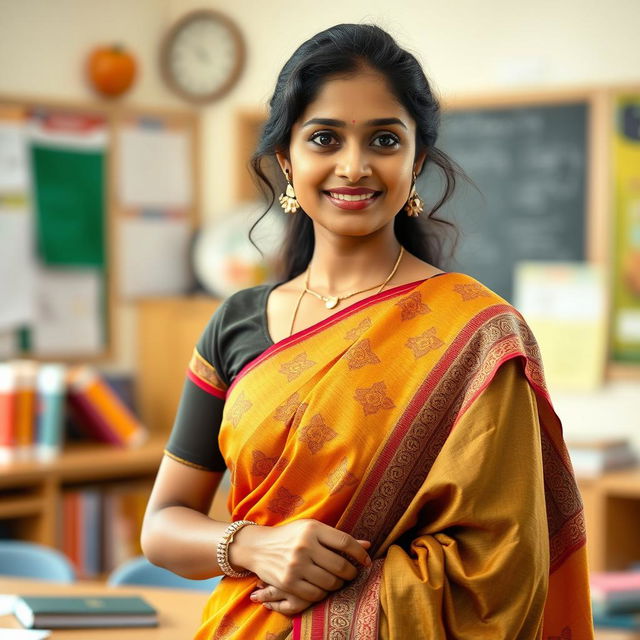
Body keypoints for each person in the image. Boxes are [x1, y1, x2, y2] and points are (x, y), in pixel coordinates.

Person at [141, 23, 594, 640]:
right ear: (286, 159)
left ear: (416, 162)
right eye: (324, 138)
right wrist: (251, 546)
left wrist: (347, 588)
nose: (353, 167)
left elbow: (503, 567)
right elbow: (164, 525)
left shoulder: (479, 335)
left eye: (384, 139)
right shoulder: (237, 321)